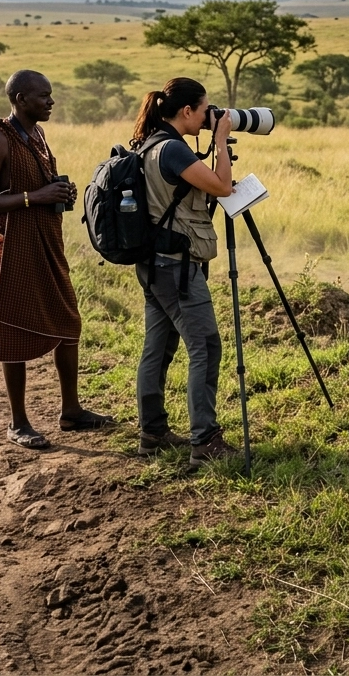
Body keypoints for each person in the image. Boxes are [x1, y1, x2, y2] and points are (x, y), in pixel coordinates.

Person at [0, 69, 113, 449]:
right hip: (11, 246)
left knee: (68, 320)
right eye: (43, 96)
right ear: (19, 100)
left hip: (45, 241)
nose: (51, 102)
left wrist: (57, 192)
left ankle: (72, 411)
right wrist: (35, 198)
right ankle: (18, 423)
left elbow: (35, 186)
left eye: (51, 95)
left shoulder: (37, 135)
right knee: (11, 325)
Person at [129, 77, 235, 467]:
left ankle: (152, 432)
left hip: (154, 264)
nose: (211, 116)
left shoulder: (151, 143)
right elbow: (223, 187)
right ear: (187, 111)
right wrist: (221, 141)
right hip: (178, 268)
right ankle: (204, 441)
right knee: (205, 347)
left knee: (158, 348)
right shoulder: (172, 149)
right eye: (206, 110)